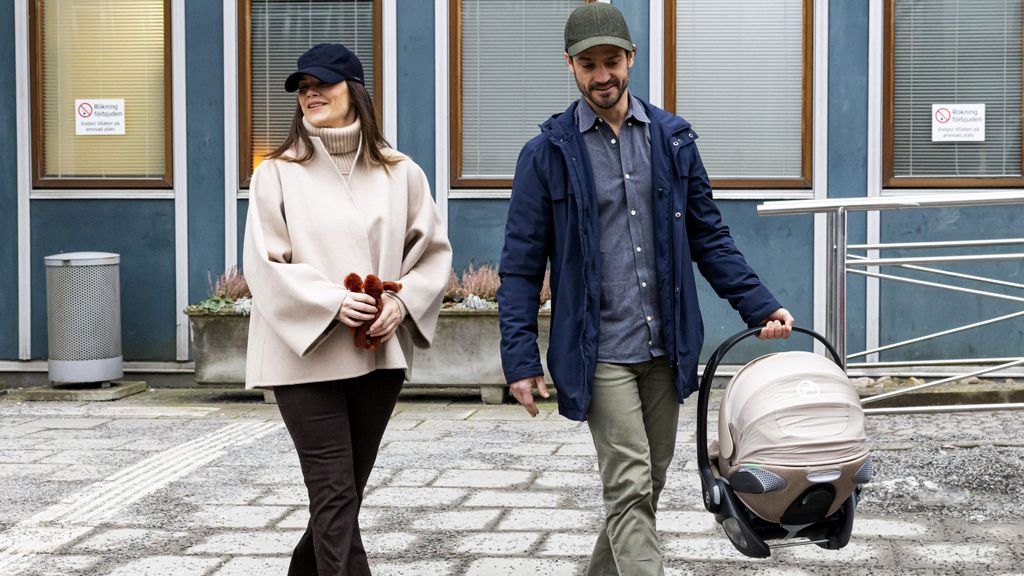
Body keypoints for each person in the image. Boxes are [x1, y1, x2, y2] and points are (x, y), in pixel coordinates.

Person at [497, 4, 794, 576]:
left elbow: (711, 239)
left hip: (666, 344)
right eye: (589, 64)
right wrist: (519, 358)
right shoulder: (547, 153)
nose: (602, 74)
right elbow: (520, 266)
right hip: (598, 347)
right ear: (571, 66)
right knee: (630, 482)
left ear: (630, 59)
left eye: (612, 61)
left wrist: (760, 305)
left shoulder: (674, 141)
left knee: (649, 480)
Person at [242, 43, 451, 576]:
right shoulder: (277, 174)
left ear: (353, 92)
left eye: (323, 84)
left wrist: (402, 303)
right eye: (302, 87)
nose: (310, 93)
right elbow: (266, 264)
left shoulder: (401, 173)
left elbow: (431, 255)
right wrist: (334, 301)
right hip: (303, 356)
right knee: (334, 492)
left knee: (344, 493)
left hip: (376, 359)